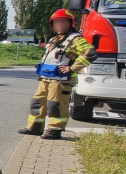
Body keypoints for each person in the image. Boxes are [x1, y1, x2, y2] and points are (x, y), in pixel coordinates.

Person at [18, 9, 96, 140]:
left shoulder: (76, 39)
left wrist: (72, 68)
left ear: (70, 23)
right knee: (37, 102)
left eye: (62, 22)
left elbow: (91, 53)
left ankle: (55, 130)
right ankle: (35, 127)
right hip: (46, 78)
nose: (59, 25)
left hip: (61, 80)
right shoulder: (55, 39)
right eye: (56, 23)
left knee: (55, 105)